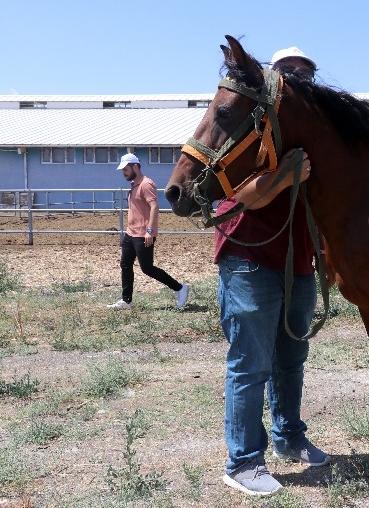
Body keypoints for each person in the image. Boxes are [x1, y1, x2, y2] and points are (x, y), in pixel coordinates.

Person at [216, 48, 330, 498]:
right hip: (249, 256)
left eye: (308, 76)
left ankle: (288, 436)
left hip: (297, 261)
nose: (300, 82)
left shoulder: (311, 135)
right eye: (291, 74)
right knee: (251, 364)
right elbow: (241, 195)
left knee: (291, 359)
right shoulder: (249, 128)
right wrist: (284, 175)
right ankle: (243, 461)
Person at [107, 153, 189, 310]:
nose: (124, 173)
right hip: (131, 233)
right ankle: (126, 300)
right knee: (125, 264)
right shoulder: (134, 185)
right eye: (123, 170)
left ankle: (180, 288)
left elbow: (154, 207)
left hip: (143, 234)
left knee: (147, 268)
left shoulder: (146, 184)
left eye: (126, 169)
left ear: (135, 167)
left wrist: (149, 231)